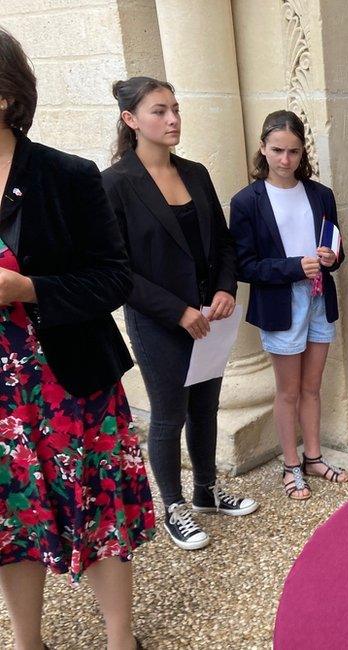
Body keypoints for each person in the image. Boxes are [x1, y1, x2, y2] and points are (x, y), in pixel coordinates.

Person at [0, 28, 153, 650]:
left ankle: (121, 639)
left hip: (68, 381)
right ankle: (27, 641)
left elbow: (113, 278)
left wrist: (28, 290)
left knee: (102, 508)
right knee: (10, 519)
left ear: (7, 95)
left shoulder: (67, 175)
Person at [102, 77, 257, 551]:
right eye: (158, 111)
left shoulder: (196, 173)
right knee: (170, 415)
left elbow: (224, 243)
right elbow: (117, 270)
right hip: (159, 323)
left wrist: (225, 288)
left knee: (207, 405)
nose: (172, 120)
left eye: (175, 109)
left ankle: (207, 490)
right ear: (131, 120)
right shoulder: (115, 184)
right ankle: (173, 506)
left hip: (210, 316)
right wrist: (178, 311)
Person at [229, 110, 348, 500]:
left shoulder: (320, 193)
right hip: (280, 302)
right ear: (263, 148)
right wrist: (294, 266)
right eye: (277, 150)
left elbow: (336, 248)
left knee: (313, 387)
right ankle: (291, 465)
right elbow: (244, 266)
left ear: (303, 152)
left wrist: (331, 258)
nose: (285, 160)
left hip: (318, 297)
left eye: (294, 152)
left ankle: (313, 457)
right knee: (288, 391)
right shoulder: (247, 201)